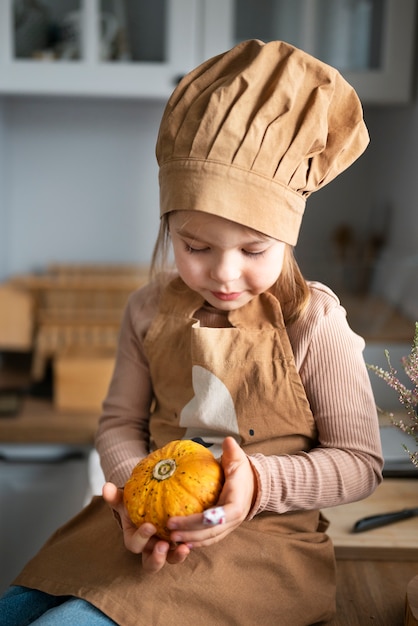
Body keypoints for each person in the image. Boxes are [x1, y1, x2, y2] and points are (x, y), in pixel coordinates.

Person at [0, 39, 383, 625]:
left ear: (288, 238)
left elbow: (359, 464)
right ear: (169, 228)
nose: (224, 273)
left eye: (254, 249)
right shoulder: (147, 309)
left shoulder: (315, 324)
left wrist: (256, 483)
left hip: (265, 552)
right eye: (195, 247)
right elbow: (119, 425)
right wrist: (137, 497)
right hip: (147, 531)